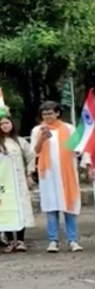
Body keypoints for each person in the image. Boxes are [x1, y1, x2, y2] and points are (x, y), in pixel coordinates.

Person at [31, 101, 83, 252]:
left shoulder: (69, 128)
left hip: (67, 173)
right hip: (48, 174)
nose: (47, 116)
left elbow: (77, 148)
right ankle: (53, 240)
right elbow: (34, 151)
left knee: (69, 206)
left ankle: (72, 240)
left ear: (57, 113)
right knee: (51, 207)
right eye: (44, 114)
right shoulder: (37, 130)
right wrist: (42, 139)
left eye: (50, 113)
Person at [0, 116, 36, 253]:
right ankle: (9, 240)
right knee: (7, 209)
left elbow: (30, 156)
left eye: (7, 122)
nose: (4, 125)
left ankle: (20, 240)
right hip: (3, 180)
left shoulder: (20, 142)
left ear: (12, 124)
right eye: (1, 124)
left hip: (19, 179)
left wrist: (29, 174)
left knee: (21, 208)